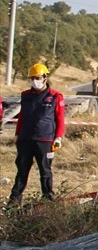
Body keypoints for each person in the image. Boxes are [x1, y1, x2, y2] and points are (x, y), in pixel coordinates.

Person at [8, 63, 66, 205]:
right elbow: (22, 116)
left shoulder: (55, 96)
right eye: (32, 78)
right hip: (25, 139)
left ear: (45, 77)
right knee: (22, 170)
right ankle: (14, 200)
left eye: (37, 77)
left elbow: (60, 119)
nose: (35, 80)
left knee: (45, 170)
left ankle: (47, 198)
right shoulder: (26, 96)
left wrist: (58, 137)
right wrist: (17, 134)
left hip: (45, 140)